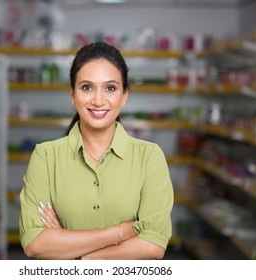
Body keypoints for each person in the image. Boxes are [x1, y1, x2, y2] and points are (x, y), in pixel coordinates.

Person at [19, 41, 174, 260]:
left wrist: (79, 255)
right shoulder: (45, 156)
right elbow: (35, 244)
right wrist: (119, 233)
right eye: (87, 87)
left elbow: (153, 245)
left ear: (124, 96)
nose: (98, 100)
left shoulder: (149, 157)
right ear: (73, 94)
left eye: (110, 88)